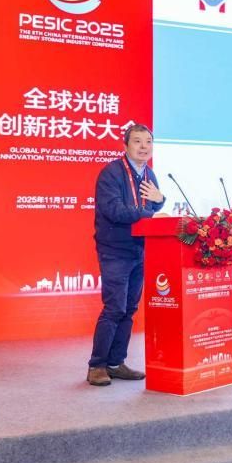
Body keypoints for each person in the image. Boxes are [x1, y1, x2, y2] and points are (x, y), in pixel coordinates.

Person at [87, 124, 165, 386]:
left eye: (148, 142)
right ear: (125, 145)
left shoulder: (149, 174)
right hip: (115, 250)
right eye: (137, 141)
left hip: (140, 249)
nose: (144, 147)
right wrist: (151, 213)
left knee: (129, 309)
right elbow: (114, 211)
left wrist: (160, 199)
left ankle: (116, 363)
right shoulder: (111, 173)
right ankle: (97, 365)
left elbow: (152, 205)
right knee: (114, 308)